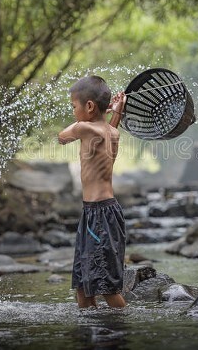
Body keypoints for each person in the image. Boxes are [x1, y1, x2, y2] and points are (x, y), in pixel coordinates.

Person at [58, 75, 127, 308]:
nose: (73, 111)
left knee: (106, 287)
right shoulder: (112, 133)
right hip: (97, 214)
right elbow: (106, 130)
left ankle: (121, 329)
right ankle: (91, 332)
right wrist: (116, 112)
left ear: (89, 106)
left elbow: (61, 137)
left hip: (100, 216)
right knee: (82, 284)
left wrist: (105, 113)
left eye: (73, 106)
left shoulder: (83, 128)